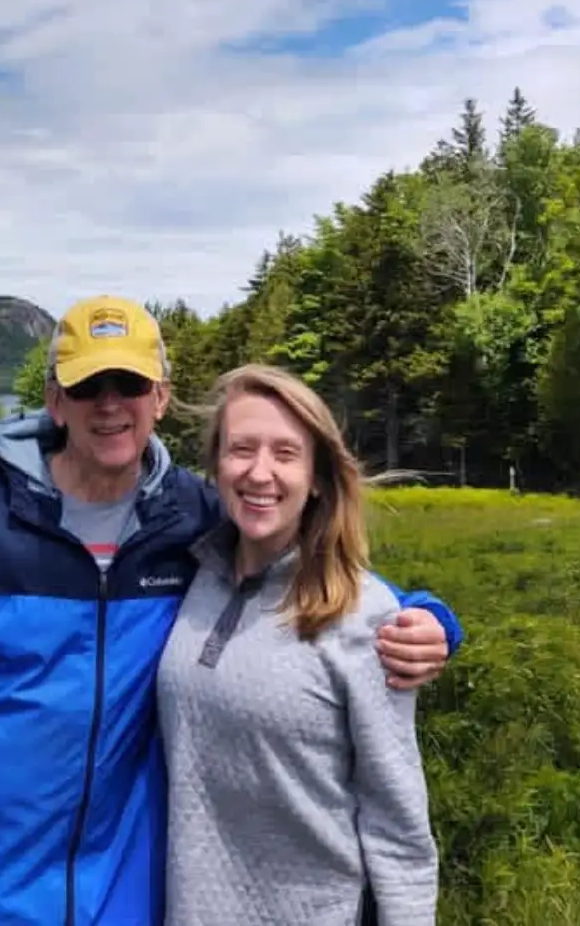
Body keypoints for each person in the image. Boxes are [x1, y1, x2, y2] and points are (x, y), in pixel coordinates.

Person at [0, 296, 463, 926]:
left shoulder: (198, 519)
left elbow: (311, 566)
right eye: (91, 386)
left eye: (131, 384)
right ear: (56, 400)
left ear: (161, 399)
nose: (111, 404)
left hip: (125, 899)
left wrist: (424, 616)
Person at [158, 364, 438, 926]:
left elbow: (398, 829)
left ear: (316, 477)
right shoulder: (198, 576)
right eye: (242, 449)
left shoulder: (365, 616)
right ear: (215, 465)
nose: (260, 472)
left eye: (285, 453)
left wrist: (436, 621)